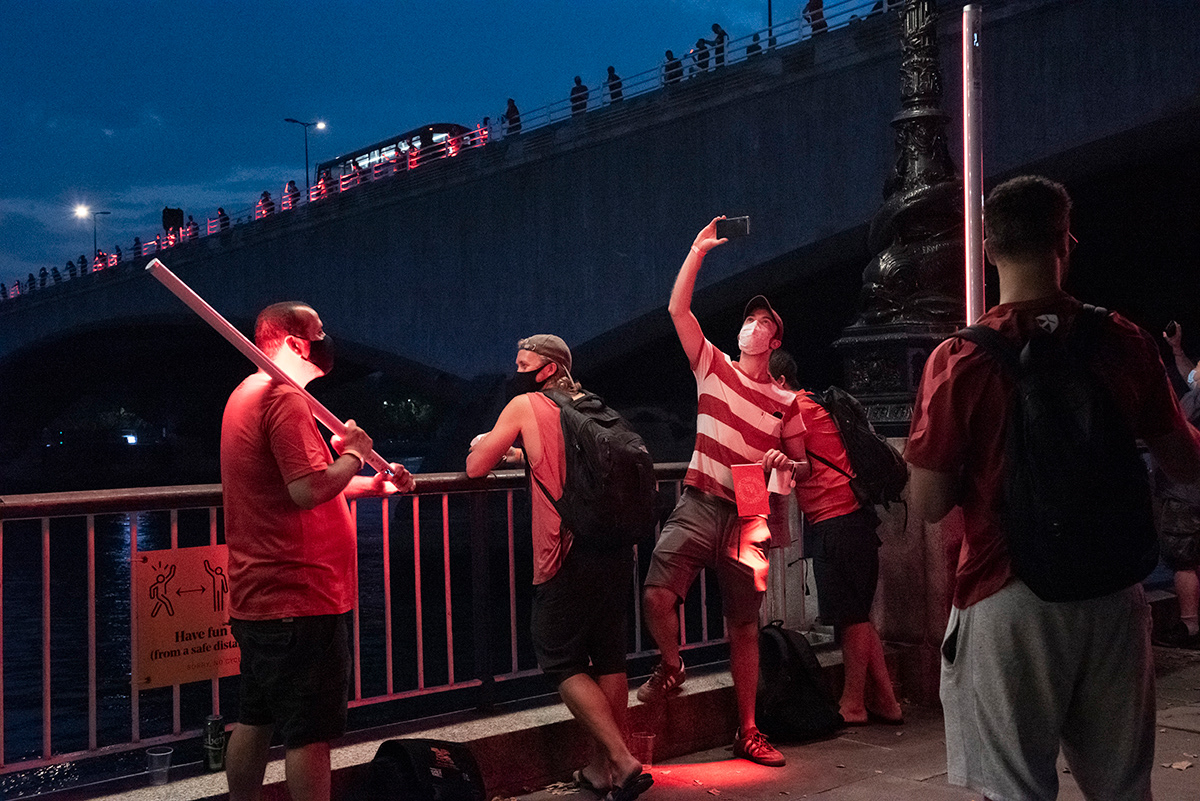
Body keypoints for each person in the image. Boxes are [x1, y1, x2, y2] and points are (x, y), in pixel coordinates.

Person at [906, 175, 1200, 801]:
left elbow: (928, 504)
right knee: (1123, 788)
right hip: (1112, 592)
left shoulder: (960, 360)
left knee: (1016, 790)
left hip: (1005, 590)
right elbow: (1182, 460)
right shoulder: (1123, 341)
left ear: (987, 247)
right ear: (1066, 241)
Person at [221, 301, 414, 801]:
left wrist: (371, 486)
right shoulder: (283, 398)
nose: (328, 339)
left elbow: (299, 485)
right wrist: (353, 450)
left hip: (258, 593)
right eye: (319, 331)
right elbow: (307, 490)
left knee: (255, 717)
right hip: (299, 594)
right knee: (309, 733)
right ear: (293, 342)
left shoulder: (245, 393)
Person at [638, 217, 806, 768]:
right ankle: (672, 663)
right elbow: (678, 311)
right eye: (748, 319)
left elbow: (798, 468)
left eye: (761, 322)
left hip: (750, 513)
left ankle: (749, 730)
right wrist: (696, 251)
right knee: (657, 596)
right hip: (698, 498)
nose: (750, 327)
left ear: (774, 339)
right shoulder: (713, 368)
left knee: (743, 626)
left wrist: (783, 462)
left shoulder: (788, 403)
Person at [466, 335, 652, 801]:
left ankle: (624, 762)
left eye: (523, 363)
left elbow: (475, 468)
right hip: (613, 548)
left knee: (559, 656)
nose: (516, 370)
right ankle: (599, 769)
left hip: (565, 551)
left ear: (547, 369)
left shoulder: (525, 404)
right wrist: (521, 455)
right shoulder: (590, 406)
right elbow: (565, 461)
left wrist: (483, 446)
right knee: (608, 657)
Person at [767, 350, 903, 725]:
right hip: (853, 521)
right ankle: (888, 702)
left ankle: (853, 703)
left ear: (779, 382)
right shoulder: (814, 404)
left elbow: (795, 466)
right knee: (857, 614)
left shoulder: (794, 410)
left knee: (851, 617)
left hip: (835, 523)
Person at [1156, 322, 1200, 648]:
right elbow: (1189, 379)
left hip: (1187, 492)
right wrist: (1177, 350)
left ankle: (1189, 625)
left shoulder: (1194, 401)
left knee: (1184, 559)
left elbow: (1173, 423)